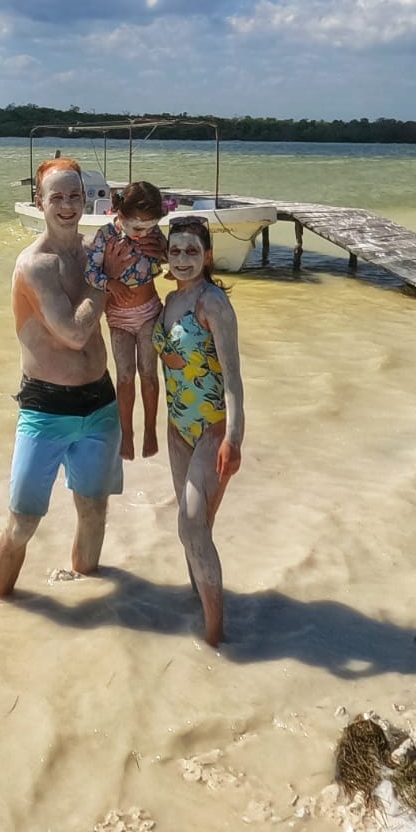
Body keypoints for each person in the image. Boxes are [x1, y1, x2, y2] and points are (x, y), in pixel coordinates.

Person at [0, 158, 122, 598]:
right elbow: (73, 333)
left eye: (74, 196)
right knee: (23, 523)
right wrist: (103, 278)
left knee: (94, 511)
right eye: (57, 197)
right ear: (40, 202)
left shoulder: (94, 252)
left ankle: (89, 593)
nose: (67, 206)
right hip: (45, 409)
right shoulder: (36, 265)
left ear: (85, 199)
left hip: (100, 404)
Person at [152, 215, 244, 645]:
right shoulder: (169, 300)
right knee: (195, 528)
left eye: (192, 251)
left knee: (191, 525)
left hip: (211, 429)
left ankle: (215, 635)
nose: (183, 259)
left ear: (207, 256)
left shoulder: (213, 303)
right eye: (175, 251)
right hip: (177, 428)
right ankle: (199, 604)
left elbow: (233, 378)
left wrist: (234, 439)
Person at [86, 180, 169, 460]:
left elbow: (170, 259)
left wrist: (164, 250)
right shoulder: (105, 236)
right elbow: (90, 272)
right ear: (120, 214)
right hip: (118, 318)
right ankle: (127, 433)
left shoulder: (153, 235)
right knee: (124, 377)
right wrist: (109, 282)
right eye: (137, 227)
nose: (143, 233)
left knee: (148, 373)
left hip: (149, 312)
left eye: (151, 226)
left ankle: (150, 430)